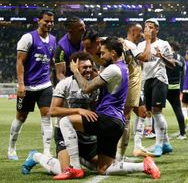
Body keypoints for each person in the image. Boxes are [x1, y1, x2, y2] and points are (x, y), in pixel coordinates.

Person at [21, 52, 160, 180]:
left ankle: (142, 166)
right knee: (63, 170)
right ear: (75, 67)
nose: (88, 70)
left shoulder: (96, 85)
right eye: (84, 67)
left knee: (101, 168)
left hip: (86, 133)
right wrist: (78, 111)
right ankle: (36, 156)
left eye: (89, 66)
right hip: (65, 132)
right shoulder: (65, 84)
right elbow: (53, 111)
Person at [55, 37, 129, 179]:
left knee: (65, 121)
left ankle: (75, 167)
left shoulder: (113, 68)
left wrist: (75, 71)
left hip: (108, 118)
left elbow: (87, 87)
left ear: (113, 53)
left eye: (103, 53)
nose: (101, 56)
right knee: (104, 168)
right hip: (117, 123)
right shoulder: (124, 68)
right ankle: (143, 166)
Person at [8, 10, 56, 160]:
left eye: (51, 22)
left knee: (47, 117)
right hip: (28, 86)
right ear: (39, 21)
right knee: (21, 117)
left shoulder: (53, 40)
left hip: (45, 85)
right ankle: (11, 148)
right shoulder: (28, 38)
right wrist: (21, 85)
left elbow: (51, 61)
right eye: (46, 21)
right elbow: (20, 62)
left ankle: (47, 151)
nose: (49, 24)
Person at [135, 18, 175, 157]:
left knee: (157, 112)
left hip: (160, 79)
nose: (148, 30)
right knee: (150, 112)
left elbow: (172, 64)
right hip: (147, 80)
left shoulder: (164, 44)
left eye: (151, 27)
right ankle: (166, 143)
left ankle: (159, 145)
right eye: (146, 27)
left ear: (157, 29)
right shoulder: (141, 45)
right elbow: (142, 60)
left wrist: (161, 56)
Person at [117, 22, 154, 159]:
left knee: (142, 113)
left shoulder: (129, 45)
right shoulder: (130, 44)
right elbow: (145, 57)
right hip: (129, 86)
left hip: (135, 86)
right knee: (125, 117)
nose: (142, 35)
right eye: (140, 33)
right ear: (133, 32)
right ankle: (119, 152)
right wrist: (148, 41)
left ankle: (137, 147)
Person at [166, 41, 186, 139]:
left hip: (164, 86)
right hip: (175, 87)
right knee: (178, 110)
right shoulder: (181, 59)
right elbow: (183, 73)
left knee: (156, 110)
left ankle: (155, 132)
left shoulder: (166, 56)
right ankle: (183, 133)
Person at [54, 16, 86, 82]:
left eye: (84, 28)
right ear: (70, 30)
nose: (84, 31)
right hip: (69, 81)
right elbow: (60, 74)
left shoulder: (85, 41)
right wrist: (70, 86)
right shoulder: (61, 48)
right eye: (81, 30)